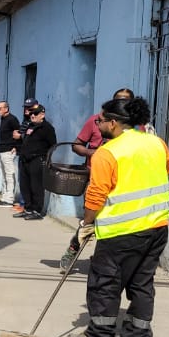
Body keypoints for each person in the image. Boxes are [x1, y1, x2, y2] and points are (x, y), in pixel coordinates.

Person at [66, 98, 169, 337]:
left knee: (105, 282)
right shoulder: (156, 143)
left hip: (122, 231)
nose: (98, 123)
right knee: (142, 283)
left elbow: (96, 195)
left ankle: (101, 336)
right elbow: (168, 169)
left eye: (100, 120)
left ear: (113, 122)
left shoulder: (108, 152)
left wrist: (85, 224)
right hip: (157, 226)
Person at [59, 88, 136, 271]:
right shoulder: (97, 121)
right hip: (98, 178)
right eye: (119, 101)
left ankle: (104, 257)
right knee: (90, 219)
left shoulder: (139, 128)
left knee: (116, 225)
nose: (123, 104)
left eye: (127, 101)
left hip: (124, 183)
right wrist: (92, 153)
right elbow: (77, 145)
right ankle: (73, 248)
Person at [15, 103, 57, 220]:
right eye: (31, 113)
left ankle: (37, 210)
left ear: (42, 114)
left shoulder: (47, 128)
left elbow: (53, 144)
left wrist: (45, 157)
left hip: (37, 160)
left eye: (35, 113)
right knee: (25, 185)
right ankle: (28, 209)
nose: (32, 115)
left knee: (36, 186)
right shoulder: (30, 126)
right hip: (25, 159)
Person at [0, 101, 21, 207]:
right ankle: (5, 197)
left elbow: (18, 134)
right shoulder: (3, 119)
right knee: (4, 174)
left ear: (6, 108)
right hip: (2, 150)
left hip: (8, 150)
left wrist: (16, 147)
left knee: (9, 174)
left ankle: (9, 199)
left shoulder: (12, 119)